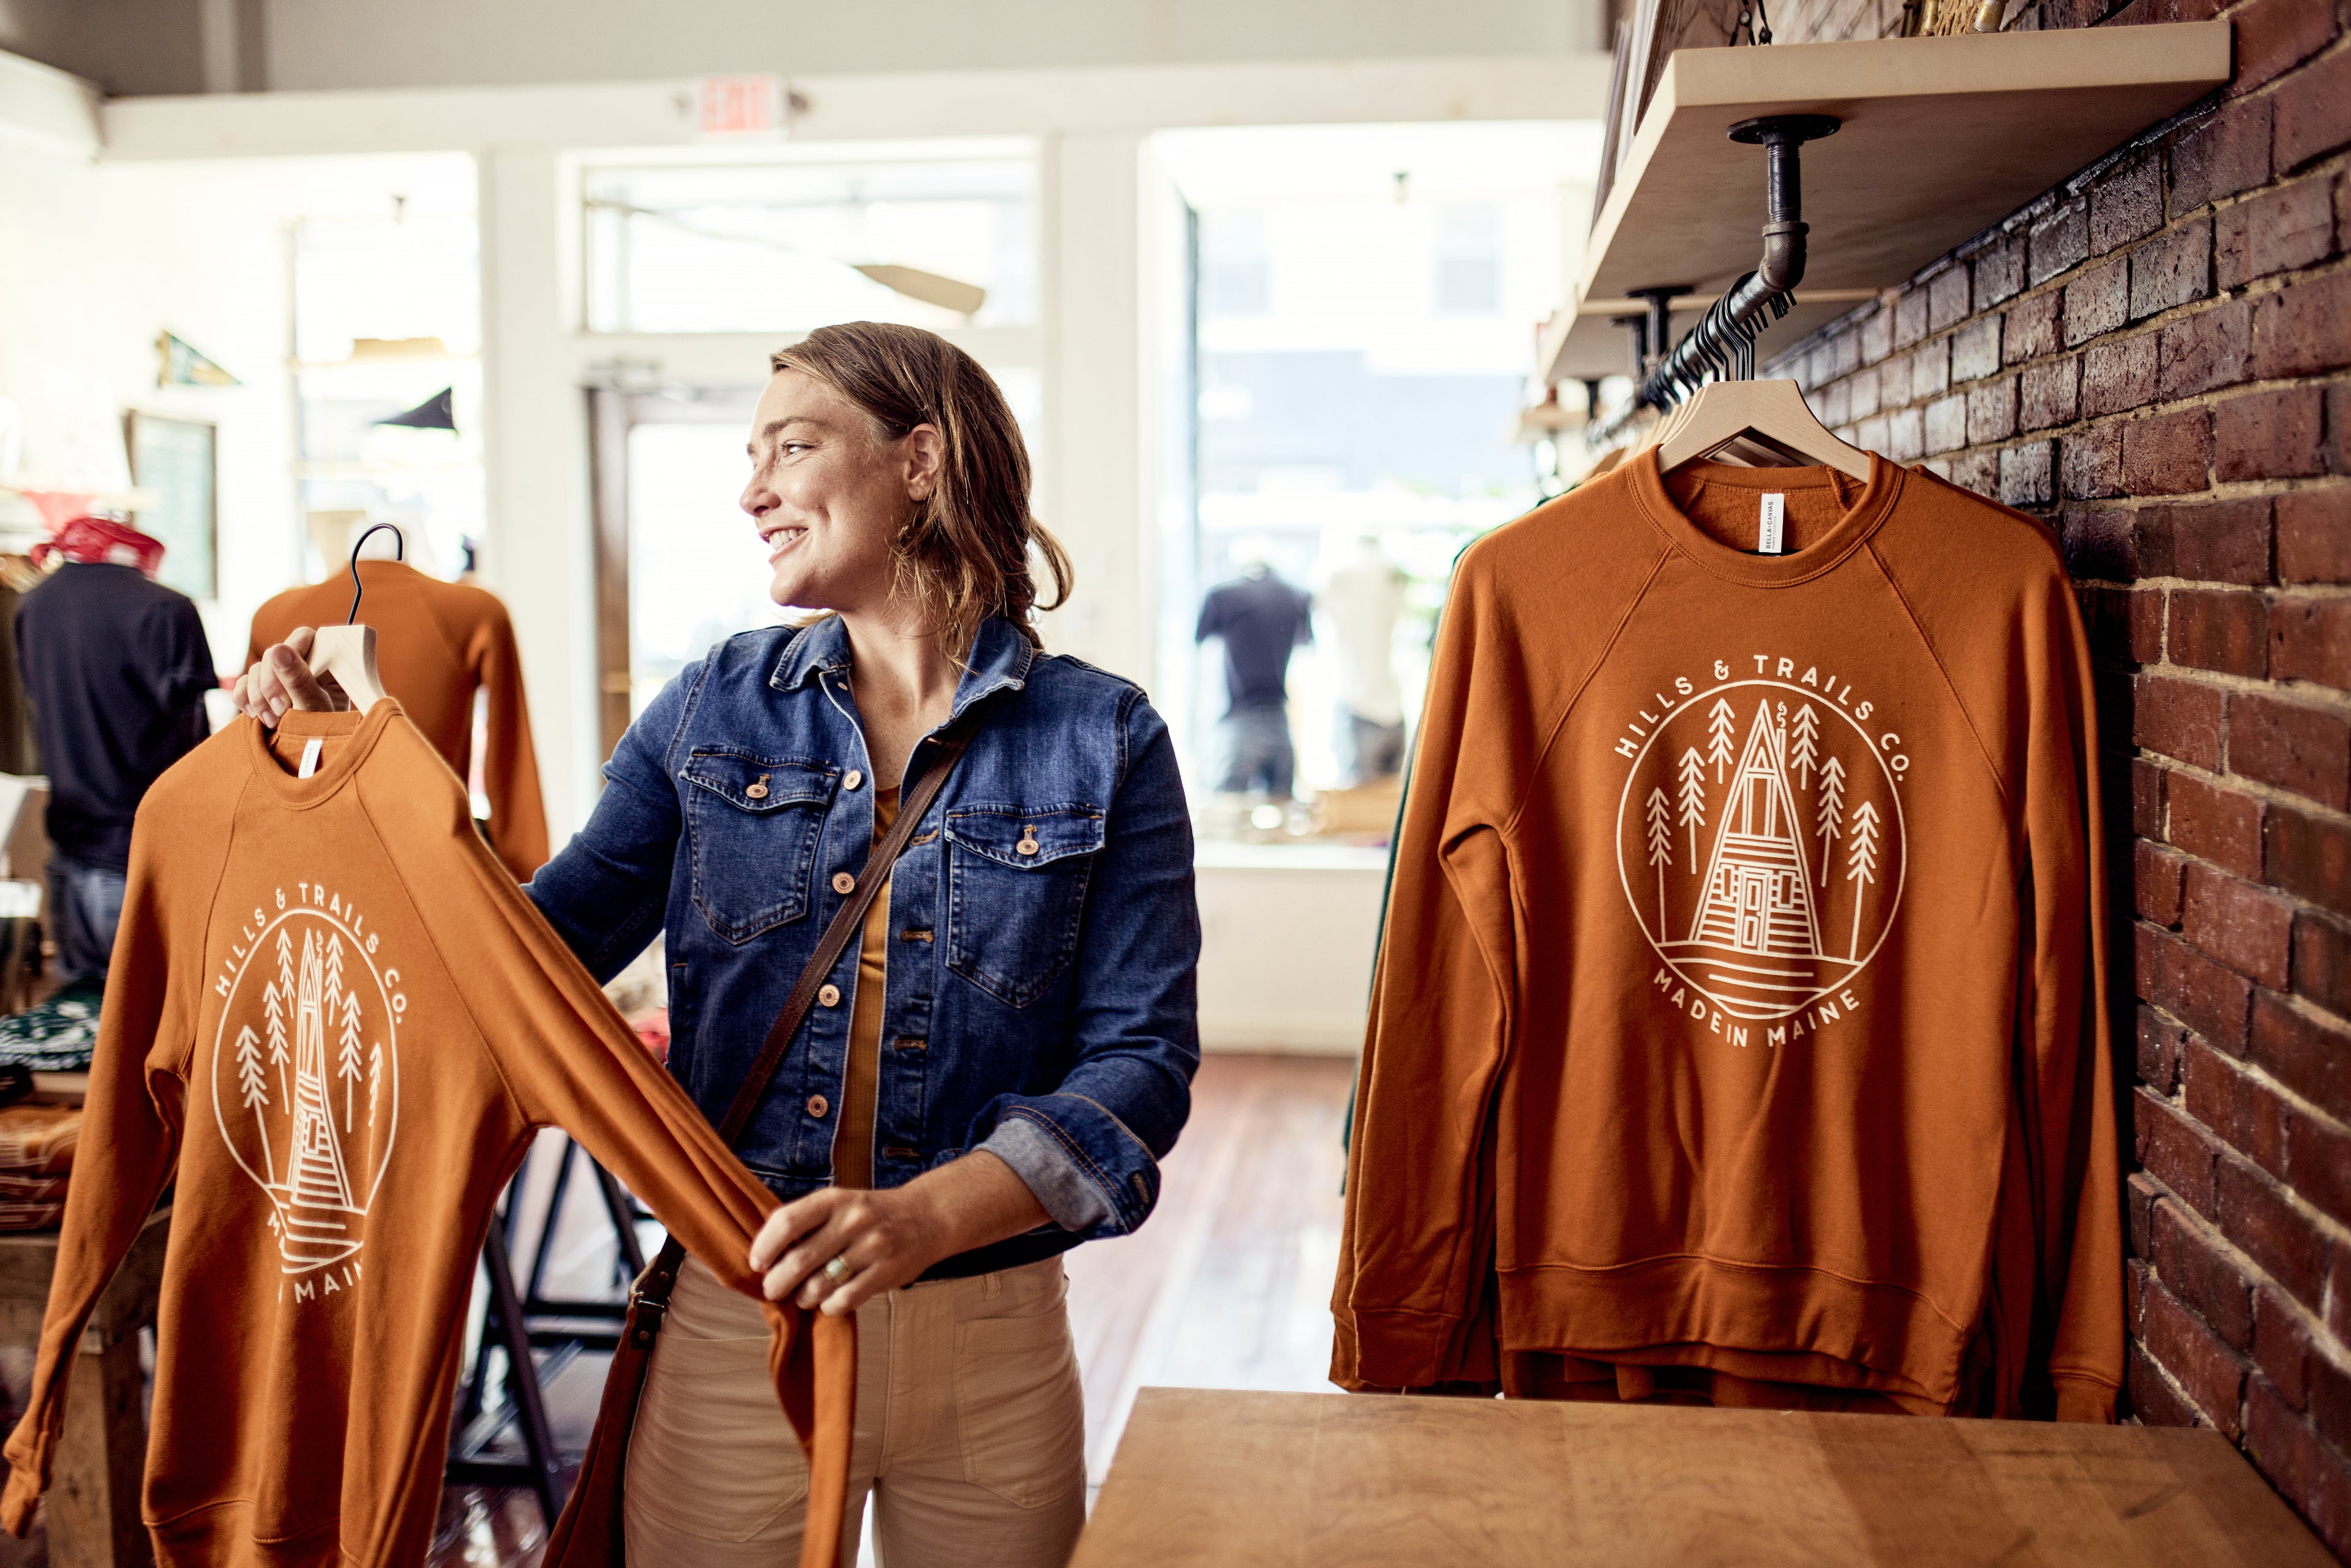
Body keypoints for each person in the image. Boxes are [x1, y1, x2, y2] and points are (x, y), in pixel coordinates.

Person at [233, 320, 1202, 1567]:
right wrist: (359, 778)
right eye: (752, 454)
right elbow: (531, 957)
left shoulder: (1105, 737)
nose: (753, 489)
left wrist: (925, 1216)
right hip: (740, 1313)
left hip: (993, 1336)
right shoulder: (710, 708)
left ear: (921, 461)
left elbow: (1140, 1061)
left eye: (792, 447)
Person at [15, 514, 214, 984]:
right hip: (141, 851)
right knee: (149, 1022)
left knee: (83, 1030)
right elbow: (198, 734)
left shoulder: (32, 605)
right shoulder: (167, 609)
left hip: (68, 845)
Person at [1195, 555, 1311, 799]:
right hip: (1272, 716)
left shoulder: (1222, 594)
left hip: (1244, 715)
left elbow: (1201, 643)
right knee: (1280, 805)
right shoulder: (1296, 595)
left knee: (1229, 809)